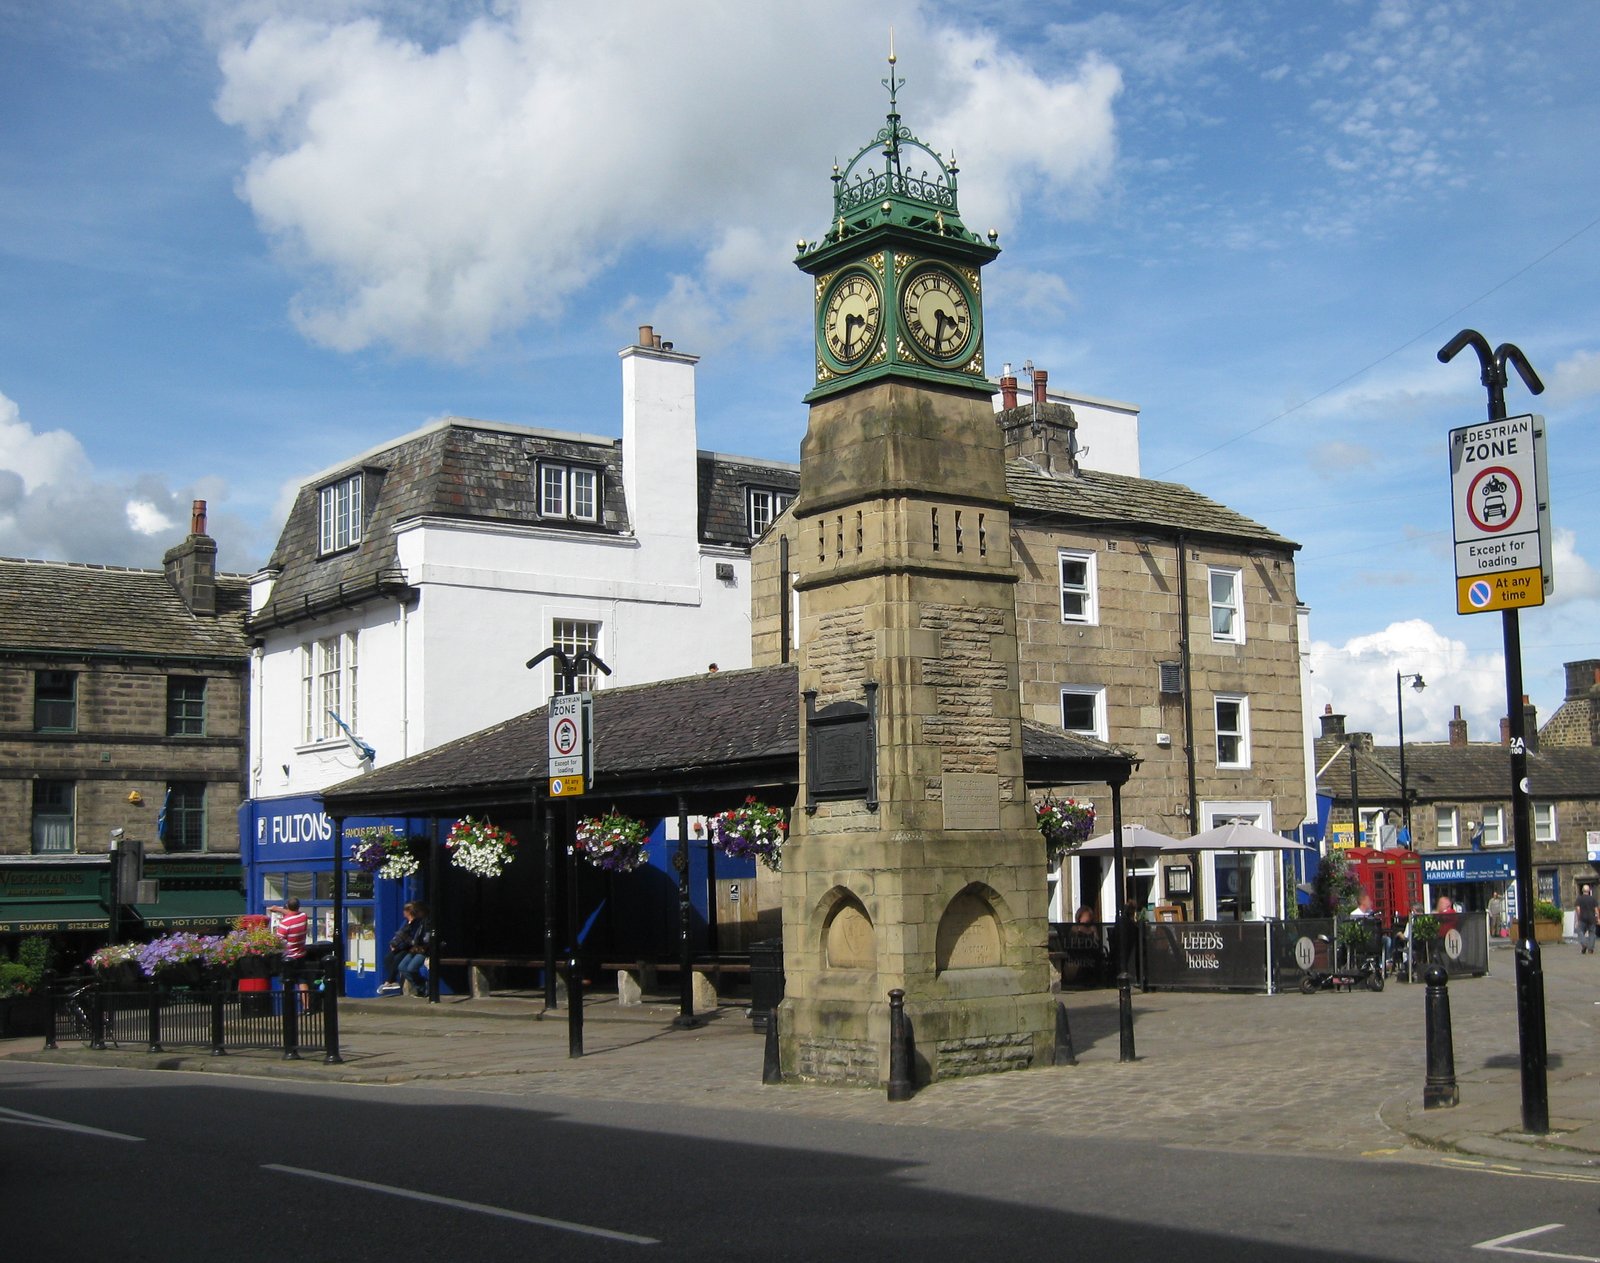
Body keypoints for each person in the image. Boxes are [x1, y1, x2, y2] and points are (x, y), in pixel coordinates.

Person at [267, 896, 311, 1012]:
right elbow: (292, 912)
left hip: (288, 958)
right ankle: (306, 1007)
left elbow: (278, 942)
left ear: (287, 906)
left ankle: (288, 1008)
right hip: (301, 955)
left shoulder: (285, 924)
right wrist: (277, 909)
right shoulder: (303, 916)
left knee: (286, 982)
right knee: (302, 981)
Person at [378, 902, 422, 994]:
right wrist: (393, 944)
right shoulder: (406, 922)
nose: (403, 912)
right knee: (388, 958)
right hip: (401, 946)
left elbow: (411, 939)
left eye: (405, 910)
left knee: (397, 960)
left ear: (409, 912)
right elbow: (399, 935)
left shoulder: (416, 924)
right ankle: (393, 980)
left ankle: (389, 981)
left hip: (409, 948)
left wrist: (400, 945)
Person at [396, 903, 433, 996]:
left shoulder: (428, 921)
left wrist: (419, 945)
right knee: (402, 967)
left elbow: (426, 938)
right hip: (414, 948)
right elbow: (408, 933)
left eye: (417, 911)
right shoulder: (416, 922)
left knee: (411, 968)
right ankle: (420, 986)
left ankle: (423, 987)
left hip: (423, 949)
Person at [1575, 884, 1598, 955]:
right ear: (1589, 891)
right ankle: (1590, 949)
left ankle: (1584, 944)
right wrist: (1597, 918)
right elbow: (1596, 910)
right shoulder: (1593, 899)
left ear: (1582, 891)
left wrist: (1578, 917)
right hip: (1591, 918)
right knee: (1592, 933)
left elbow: (1578, 909)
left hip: (1582, 918)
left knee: (1580, 931)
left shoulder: (1579, 898)